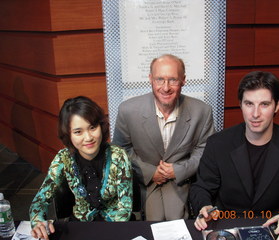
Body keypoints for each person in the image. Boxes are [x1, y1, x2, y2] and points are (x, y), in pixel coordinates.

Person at [190, 71, 279, 240]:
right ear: (241, 105)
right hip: (227, 227)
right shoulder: (218, 143)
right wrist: (204, 206)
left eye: (264, 104)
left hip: (275, 227)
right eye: (249, 104)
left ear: (277, 106)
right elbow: (201, 187)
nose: (255, 114)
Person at [112, 54, 215, 220]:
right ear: (150, 79)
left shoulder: (202, 111)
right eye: (160, 79)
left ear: (183, 80)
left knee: (179, 225)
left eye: (173, 80)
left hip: (181, 182)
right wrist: (150, 172)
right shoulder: (127, 110)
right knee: (151, 225)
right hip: (144, 182)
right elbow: (120, 150)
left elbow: (205, 150)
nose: (166, 87)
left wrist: (178, 170)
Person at [29, 96, 132, 240]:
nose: (88, 137)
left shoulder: (118, 156)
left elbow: (125, 208)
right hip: (80, 226)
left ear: (101, 127)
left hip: (115, 226)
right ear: (68, 135)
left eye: (92, 127)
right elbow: (40, 199)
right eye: (78, 132)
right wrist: (38, 221)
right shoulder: (63, 159)